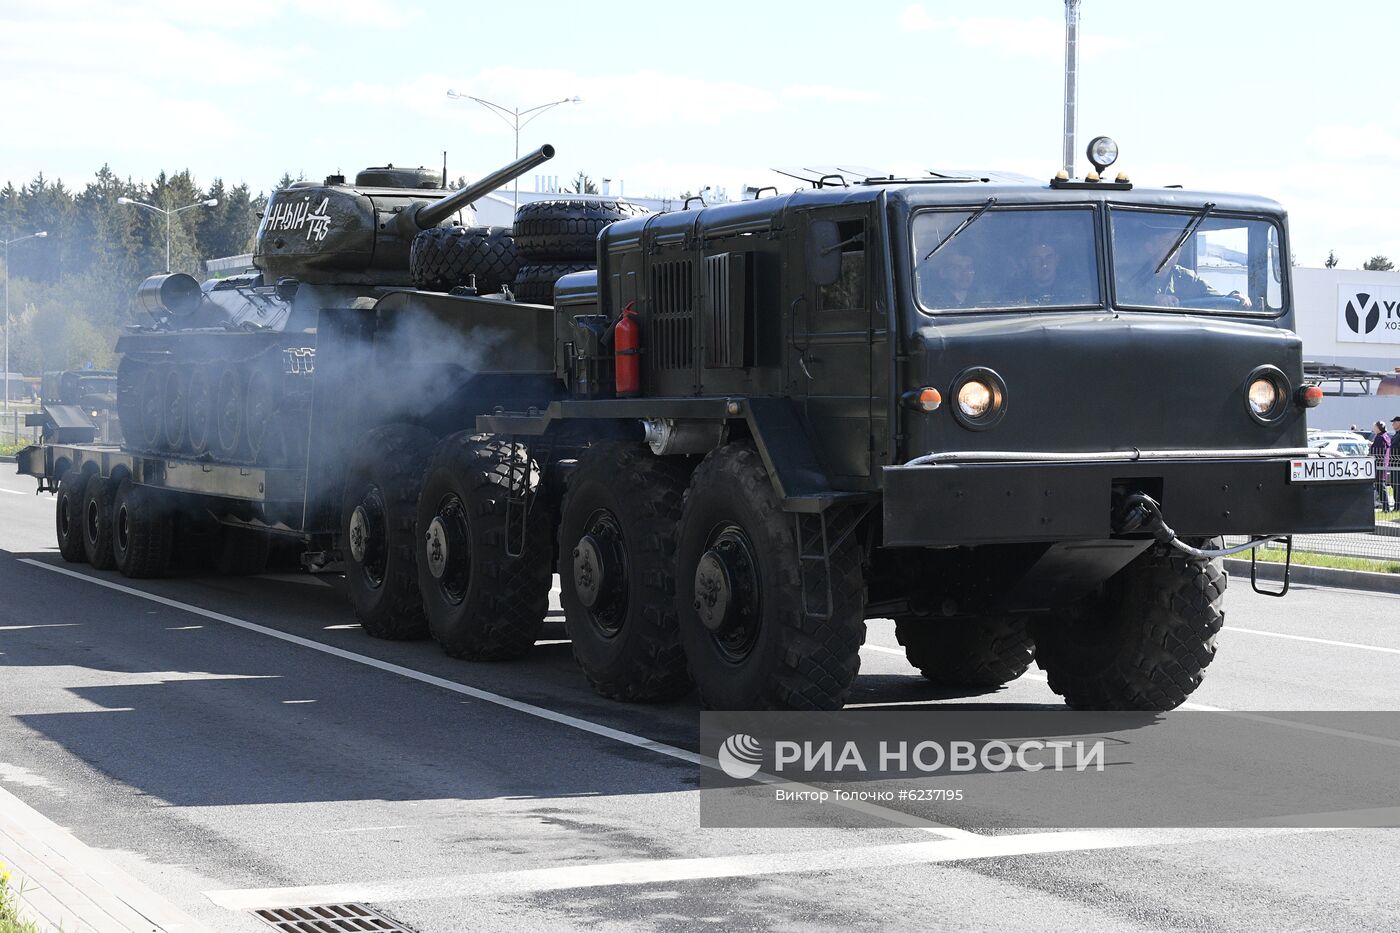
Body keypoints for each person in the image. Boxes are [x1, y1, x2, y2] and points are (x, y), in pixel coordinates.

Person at [1120, 220, 1253, 309]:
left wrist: (1235, 296)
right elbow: (1122, 298)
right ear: (1150, 247)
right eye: (1168, 242)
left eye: (1178, 243)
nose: (1176, 248)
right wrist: (1153, 300)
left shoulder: (1186, 277)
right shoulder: (1129, 275)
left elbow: (1217, 298)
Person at [1018, 239, 1093, 305]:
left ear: (1057, 260)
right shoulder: (1017, 294)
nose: (1044, 264)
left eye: (1049, 258)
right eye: (1037, 259)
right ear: (1027, 263)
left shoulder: (1075, 294)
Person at [1372, 421, 1394, 511]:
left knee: (1380, 486)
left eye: (1374, 427)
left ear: (1378, 428)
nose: (1374, 429)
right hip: (1384, 464)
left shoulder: (1379, 438)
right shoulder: (1386, 436)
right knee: (1381, 486)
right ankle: (1386, 507)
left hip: (1378, 465)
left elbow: (1377, 452)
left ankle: (1386, 507)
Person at [1390, 416, 1400, 509]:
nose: (1393, 424)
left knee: (1397, 485)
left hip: (1398, 464)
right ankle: (1397, 504)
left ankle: (1398, 505)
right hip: (1393, 464)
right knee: (1394, 484)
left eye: (1394, 422)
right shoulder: (1396, 434)